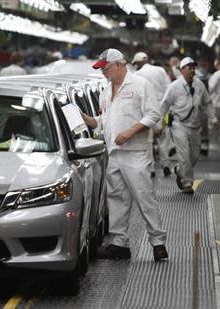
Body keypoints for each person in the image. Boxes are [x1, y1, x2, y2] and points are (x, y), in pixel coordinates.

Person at [81, 48, 168, 262]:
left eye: (105, 68)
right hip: (115, 153)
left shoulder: (140, 85)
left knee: (144, 197)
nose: (103, 73)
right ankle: (120, 244)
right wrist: (88, 120)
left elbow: (154, 114)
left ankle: (158, 243)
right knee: (117, 199)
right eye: (101, 69)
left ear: (120, 65)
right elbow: (104, 121)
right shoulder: (105, 92)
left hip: (136, 153)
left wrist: (131, 131)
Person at [159, 57, 219, 193]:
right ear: (181, 70)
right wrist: (160, 125)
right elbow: (164, 105)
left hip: (195, 127)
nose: (192, 70)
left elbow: (207, 103)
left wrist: (214, 118)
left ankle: (179, 169)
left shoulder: (199, 85)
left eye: (193, 67)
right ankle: (187, 183)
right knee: (184, 155)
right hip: (179, 125)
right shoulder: (174, 86)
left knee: (194, 156)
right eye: (189, 68)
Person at [132, 52, 172, 177]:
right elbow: (169, 88)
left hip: (147, 110)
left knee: (148, 140)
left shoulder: (137, 74)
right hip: (161, 108)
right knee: (163, 139)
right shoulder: (160, 70)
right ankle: (166, 165)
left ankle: (152, 168)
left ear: (138, 62)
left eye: (136, 64)